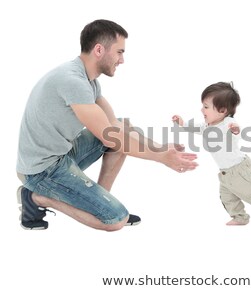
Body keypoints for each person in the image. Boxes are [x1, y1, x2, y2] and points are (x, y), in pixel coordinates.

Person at [16, 19, 198, 231]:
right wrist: (160, 158)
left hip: (61, 155)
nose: (122, 60)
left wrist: (160, 147)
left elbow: (114, 125)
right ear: (99, 49)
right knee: (115, 220)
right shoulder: (72, 81)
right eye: (119, 52)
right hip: (41, 172)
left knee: (124, 127)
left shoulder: (88, 79)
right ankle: (36, 198)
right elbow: (109, 137)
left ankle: (101, 200)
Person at [172, 82, 251, 226]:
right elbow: (197, 128)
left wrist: (234, 130)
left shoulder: (227, 123)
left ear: (222, 110)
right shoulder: (208, 125)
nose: (201, 110)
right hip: (225, 172)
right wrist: (183, 124)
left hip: (240, 171)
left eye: (206, 107)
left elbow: (235, 131)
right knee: (227, 198)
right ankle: (240, 218)